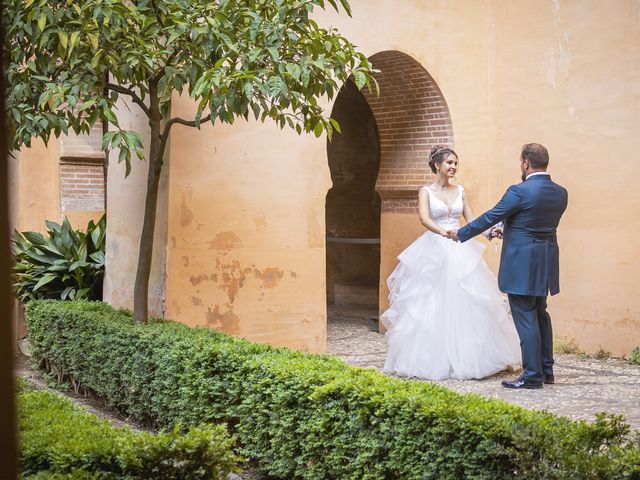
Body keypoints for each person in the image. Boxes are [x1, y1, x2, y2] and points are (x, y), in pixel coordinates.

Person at [380, 145, 521, 380]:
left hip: (459, 249)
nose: (454, 167)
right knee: (430, 301)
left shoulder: (461, 190)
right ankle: (430, 359)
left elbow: (472, 219)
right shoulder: (425, 191)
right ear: (437, 165)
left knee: (467, 298)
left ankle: (472, 356)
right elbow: (424, 218)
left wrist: (487, 233)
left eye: (456, 163)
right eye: (449, 163)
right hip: (435, 247)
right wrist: (445, 233)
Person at [449, 143, 568, 389]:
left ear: (525, 163)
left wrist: (461, 233)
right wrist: (508, 228)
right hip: (545, 262)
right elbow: (534, 221)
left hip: (521, 264)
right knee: (540, 314)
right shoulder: (560, 192)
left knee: (525, 317)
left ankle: (532, 375)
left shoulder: (519, 191)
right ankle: (547, 370)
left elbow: (490, 216)